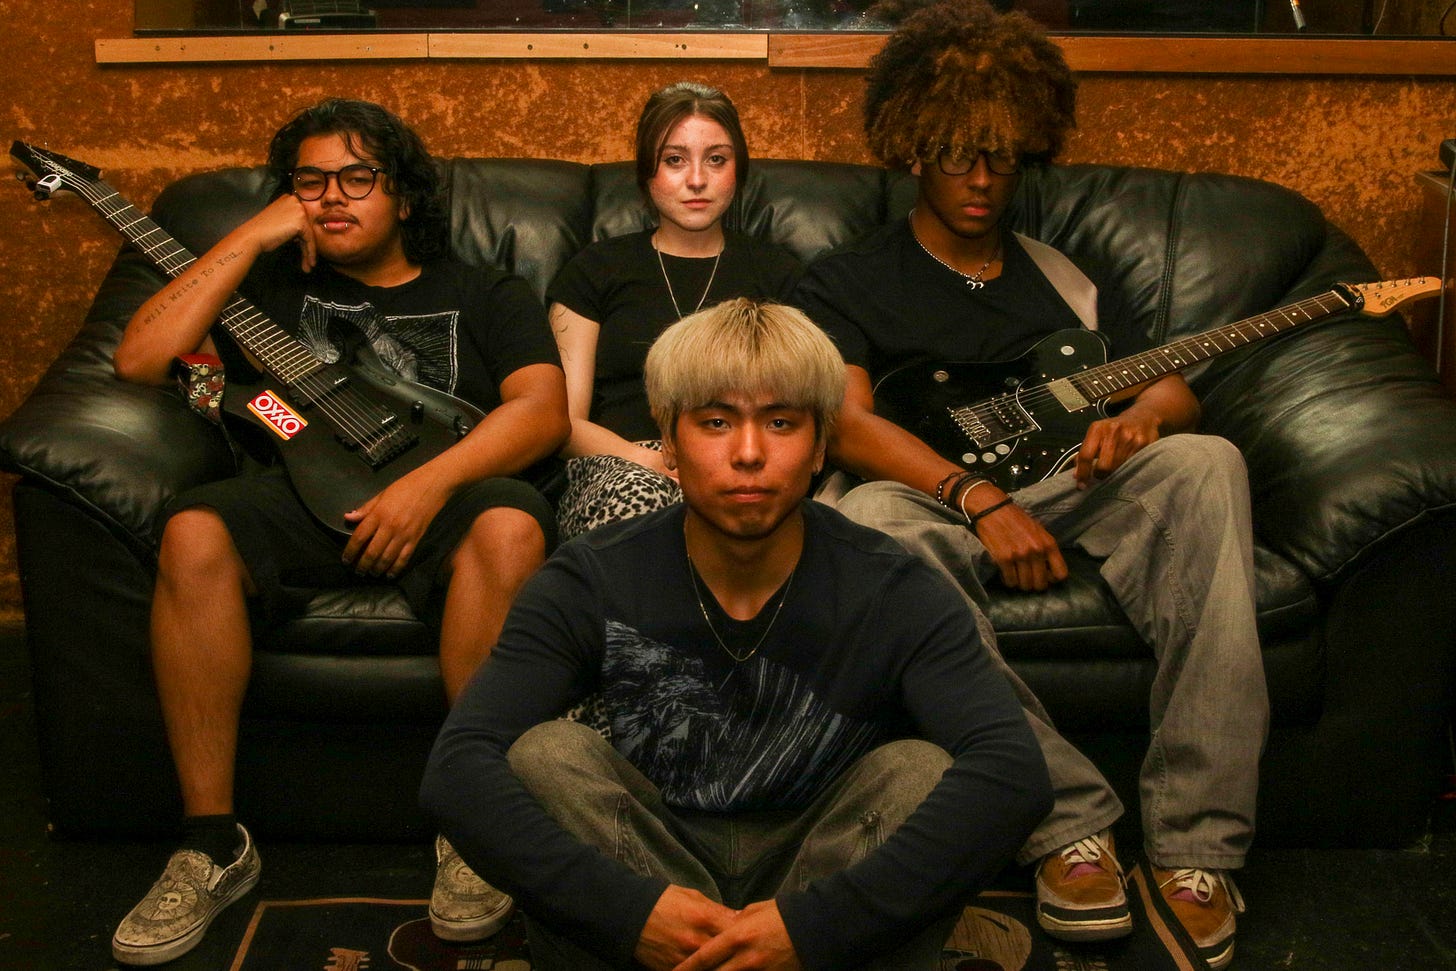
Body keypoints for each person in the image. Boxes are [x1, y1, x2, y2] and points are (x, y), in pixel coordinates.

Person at [792, 3, 1268, 968]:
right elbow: (845, 423)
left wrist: (1143, 420)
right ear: (913, 149)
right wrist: (979, 498)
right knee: (868, 522)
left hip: (1072, 483)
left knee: (1208, 460)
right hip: (928, 495)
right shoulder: (848, 279)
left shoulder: (1066, 275)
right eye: (959, 153)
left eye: (1001, 157)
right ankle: (1066, 824)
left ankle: (1197, 848)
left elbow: (1169, 383)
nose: (980, 178)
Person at [420, 298, 1053, 971]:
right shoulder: (592, 574)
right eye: (716, 421)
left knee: (918, 772)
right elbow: (457, 770)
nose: (748, 453)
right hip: (649, 867)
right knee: (546, 754)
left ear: (819, 446)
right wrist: (630, 912)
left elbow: (1013, 775)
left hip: (821, 873)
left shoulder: (895, 585)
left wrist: (810, 927)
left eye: (781, 422)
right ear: (668, 439)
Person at [109, 98, 570, 966]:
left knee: (511, 526)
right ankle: (211, 842)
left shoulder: (481, 289)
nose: (333, 197)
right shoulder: (265, 290)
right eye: (311, 180)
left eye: (358, 177)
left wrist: (429, 486)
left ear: (402, 194)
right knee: (192, 531)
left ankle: (475, 825)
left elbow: (542, 413)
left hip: (448, 489)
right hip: (298, 487)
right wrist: (250, 238)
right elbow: (139, 359)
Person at [547, 80, 801, 542]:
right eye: (675, 160)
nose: (698, 180)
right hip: (619, 464)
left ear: (738, 171)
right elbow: (559, 422)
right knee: (642, 500)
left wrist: (714, 464)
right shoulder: (595, 269)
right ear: (648, 172)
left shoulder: (779, 274)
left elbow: (798, 411)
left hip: (742, 463)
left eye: (717, 159)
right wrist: (652, 462)